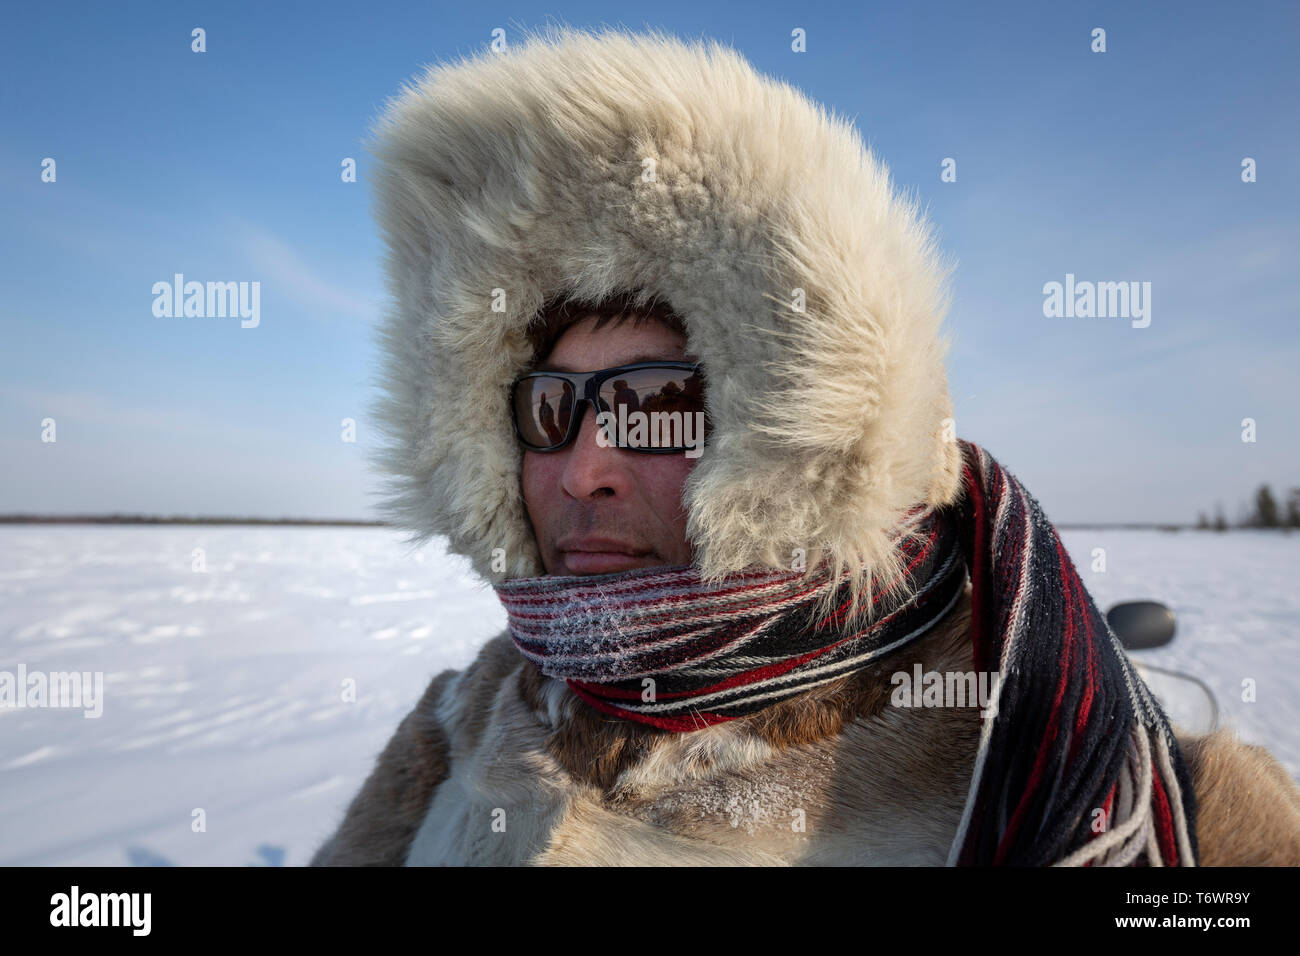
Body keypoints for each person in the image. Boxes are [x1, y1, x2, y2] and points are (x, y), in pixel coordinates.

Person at [312, 26, 1300, 866]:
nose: (582, 468)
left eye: (653, 400)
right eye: (545, 411)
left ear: (801, 428)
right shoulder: (470, 710)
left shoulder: (1048, 750)